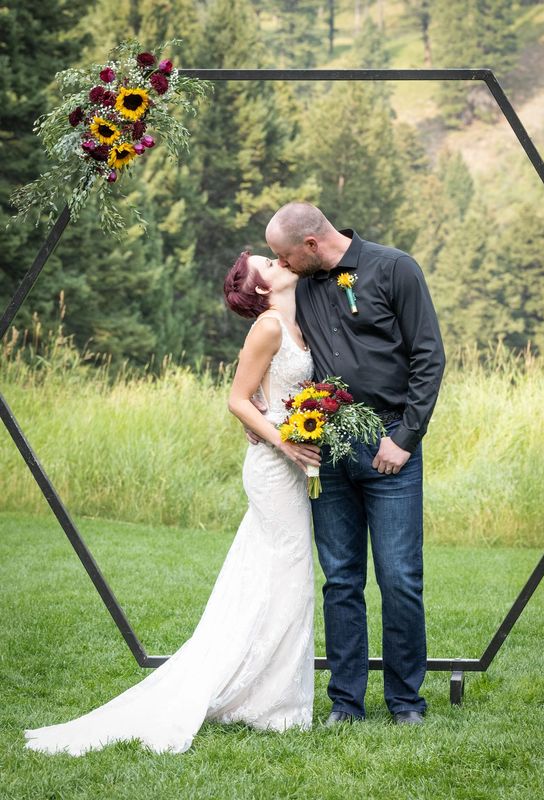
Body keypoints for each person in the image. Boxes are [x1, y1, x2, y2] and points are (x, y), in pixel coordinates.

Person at [23, 252, 321, 756]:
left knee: (273, 574)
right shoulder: (269, 327)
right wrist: (285, 441)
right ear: (261, 288)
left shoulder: (296, 323)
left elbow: (275, 393)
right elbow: (237, 399)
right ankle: (274, 705)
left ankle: (265, 694)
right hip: (273, 468)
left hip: (291, 468)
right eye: (267, 264)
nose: (278, 261)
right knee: (290, 573)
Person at [257, 201, 446, 726]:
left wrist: (404, 438)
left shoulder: (395, 268)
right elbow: (271, 341)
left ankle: (405, 701)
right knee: (340, 579)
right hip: (329, 450)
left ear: (311, 244)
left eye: (285, 256)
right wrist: (261, 406)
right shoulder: (300, 286)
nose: (282, 264)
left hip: (391, 445)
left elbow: (429, 356)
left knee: (399, 577)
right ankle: (346, 702)